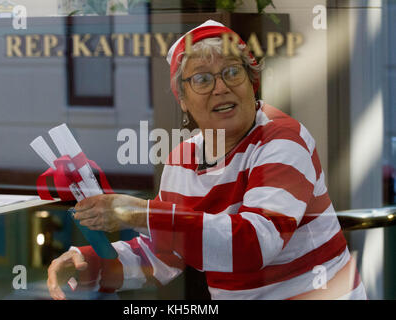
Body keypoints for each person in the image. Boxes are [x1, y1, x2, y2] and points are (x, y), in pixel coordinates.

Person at [47, 20, 367, 300]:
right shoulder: (181, 158)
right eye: (202, 79)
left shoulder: (283, 139)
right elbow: (164, 256)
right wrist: (92, 265)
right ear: (183, 101)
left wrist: (136, 212)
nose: (221, 88)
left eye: (231, 72)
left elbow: (254, 243)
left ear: (251, 82)